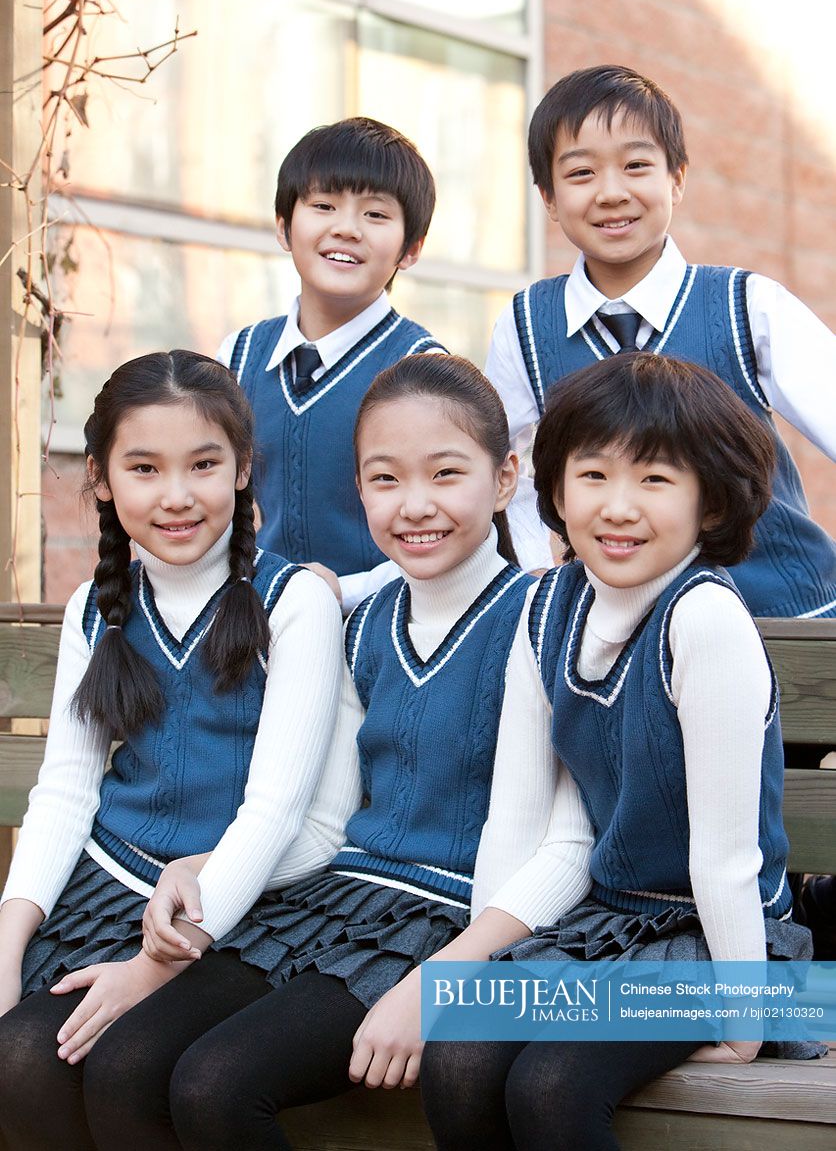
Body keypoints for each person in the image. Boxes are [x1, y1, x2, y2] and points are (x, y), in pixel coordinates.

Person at [70, 354, 591, 1151]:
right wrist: (204, 867)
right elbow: (325, 827)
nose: (415, 505)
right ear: (359, 489)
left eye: (445, 474)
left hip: (453, 922)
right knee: (125, 1062)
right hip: (335, 906)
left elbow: (554, 842)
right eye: (384, 480)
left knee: (216, 1087)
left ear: (505, 477)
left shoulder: (540, 616)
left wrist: (445, 985)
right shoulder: (365, 622)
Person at [421, 353, 824, 1151]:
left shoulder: (701, 620)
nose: (618, 506)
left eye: (655, 480)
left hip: (718, 942)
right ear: (557, 490)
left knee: (551, 1089)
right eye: (594, 474)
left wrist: (747, 1024)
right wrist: (471, 970)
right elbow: (533, 825)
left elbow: (726, 859)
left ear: (711, 502)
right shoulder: (547, 607)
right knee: (459, 1059)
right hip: (605, 931)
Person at [0, 350, 344, 1151]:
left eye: (204, 464)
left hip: (238, 904)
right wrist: (9, 938)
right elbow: (64, 788)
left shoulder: (293, 603)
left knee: (128, 1063)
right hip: (109, 885)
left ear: (243, 468)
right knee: (20, 1056)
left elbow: (276, 810)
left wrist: (153, 967)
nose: (177, 494)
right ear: (101, 476)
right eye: (145, 467)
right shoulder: (98, 606)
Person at [487, 63, 836, 618]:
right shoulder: (527, 323)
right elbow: (500, 468)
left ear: (677, 178)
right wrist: (535, 565)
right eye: (580, 174)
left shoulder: (746, 305)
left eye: (636, 166)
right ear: (548, 198)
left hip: (781, 621)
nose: (611, 192)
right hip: (623, 641)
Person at [218, 116, 446, 613]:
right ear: (284, 227)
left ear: (411, 250)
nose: (346, 228)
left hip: (381, 638)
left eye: (376, 215)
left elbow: (452, 530)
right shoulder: (236, 357)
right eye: (323, 206)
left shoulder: (421, 370)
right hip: (256, 636)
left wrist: (345, 591)